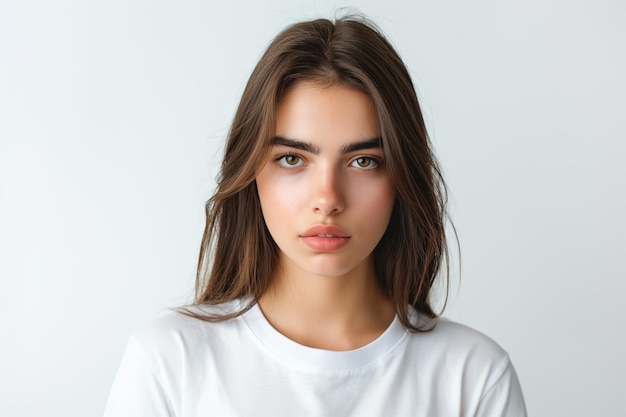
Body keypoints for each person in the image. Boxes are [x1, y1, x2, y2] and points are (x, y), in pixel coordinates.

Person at [103, 16, 527, 416]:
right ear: (251, 171)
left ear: (401, 175)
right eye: (292, 158)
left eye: (363, 161)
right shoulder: (169, 363)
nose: (327, 199)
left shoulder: (473, 378)